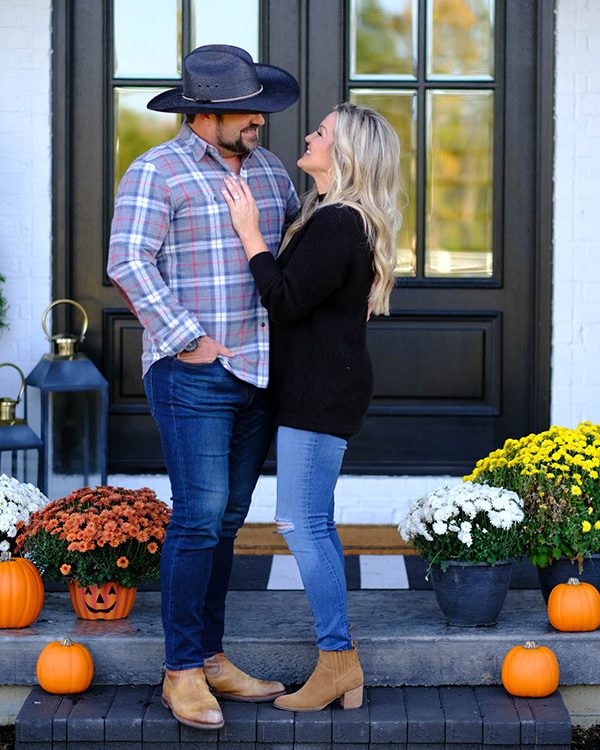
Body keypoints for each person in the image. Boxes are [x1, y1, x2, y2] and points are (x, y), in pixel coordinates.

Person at [107, 44, 300, 730]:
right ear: (206, 113)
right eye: (247, 112)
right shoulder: (157, 170)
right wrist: (190, 339)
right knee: (196, 517)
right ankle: (181, 671)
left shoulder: (274, 171)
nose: (260, 122)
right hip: (194, 372)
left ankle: (211, 656)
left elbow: (292, 262)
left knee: (225, 520)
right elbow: (127, 260)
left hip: (261, 372)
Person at [221, 101, 402, 711]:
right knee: (308, 521)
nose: (308, 134)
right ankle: (340, 667)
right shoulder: (328, 215)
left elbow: (285, 298)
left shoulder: (338, 223)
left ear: (343, 152)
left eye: (320, 132)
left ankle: (337, 662)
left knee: (303, 523)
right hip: (318, 388)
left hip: (320, 394)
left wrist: (249, 232)